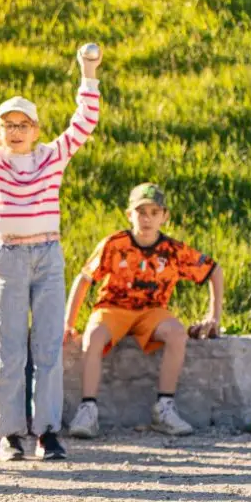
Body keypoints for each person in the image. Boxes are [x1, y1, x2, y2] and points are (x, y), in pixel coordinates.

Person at [0, 34, 102, 462]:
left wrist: (88, 75)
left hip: (48, 255)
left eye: (23, 125)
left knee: (47, 347)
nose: (16, 132)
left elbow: (84, 122)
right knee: (9, 347)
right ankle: (10, 435)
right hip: (9, 257)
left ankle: (47, 432)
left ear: (35, 130)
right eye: (8, 125)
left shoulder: (53, 156)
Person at [65, 183, 223, 438]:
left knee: (176, 333)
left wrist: (213, 316)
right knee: (93, 336)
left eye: (154, 212)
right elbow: (84, 279)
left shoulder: (173, 251)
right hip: (113, 307)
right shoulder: (114, 245)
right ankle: (88, 409)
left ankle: (164, 406)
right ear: (130, 215)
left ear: (164, 216)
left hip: (152, 311)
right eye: (141, 212)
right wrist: (68, 323)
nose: (147, 218)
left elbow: (214, 270)